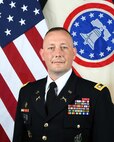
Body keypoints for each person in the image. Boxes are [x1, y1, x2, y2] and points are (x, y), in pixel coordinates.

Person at [12, 27, 114, 142]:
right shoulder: (27, 92)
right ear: (42, 54)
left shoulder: (96, 95)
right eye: (51, 48)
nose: (58, 53)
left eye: (64, 47)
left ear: (74, 53)